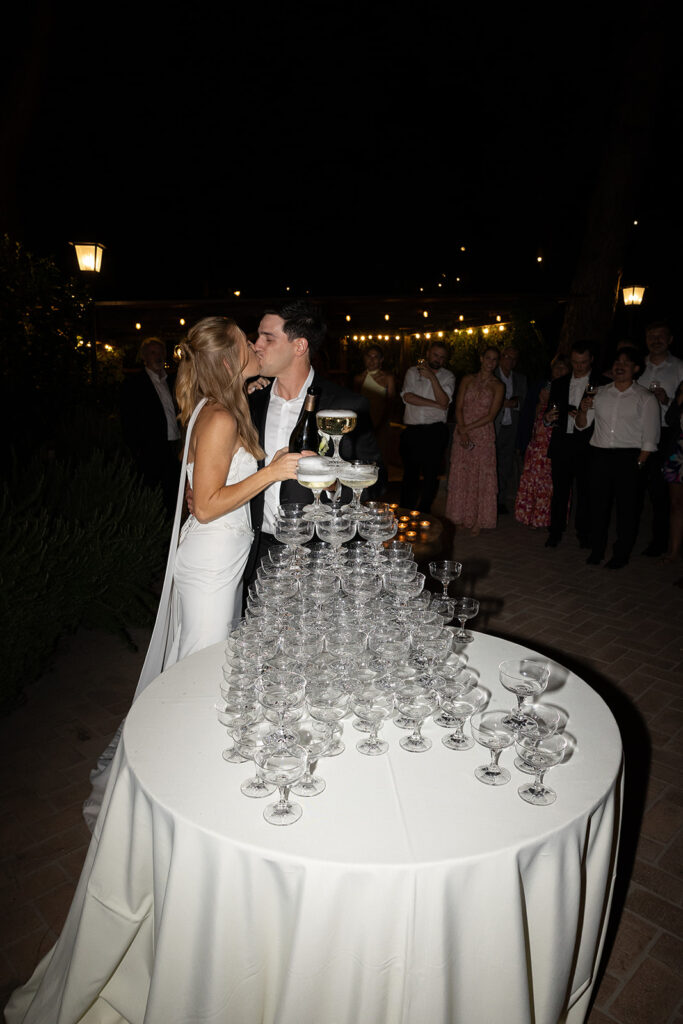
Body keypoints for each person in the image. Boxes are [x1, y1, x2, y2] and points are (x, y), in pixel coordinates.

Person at [83, 316, 301, 829]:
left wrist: (254, 384)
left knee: (198, 662)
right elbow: (204, 505)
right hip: (210, 564)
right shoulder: (221, 416)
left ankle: (182, 768)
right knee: (198, 669)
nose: (256, 346)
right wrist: (271, 471)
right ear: (228, 360)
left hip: (218, 557)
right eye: (249, 344)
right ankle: (176, 781)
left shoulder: (219, 403)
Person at [245, 300, 383, 581]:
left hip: (321, 553)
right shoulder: (249, 401)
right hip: (258, 549)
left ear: (299, 346)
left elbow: (375, 483)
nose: (256, 344)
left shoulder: (346, 406)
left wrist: (330, 481)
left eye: (267, 338)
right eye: (257, 336)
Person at [577, 346, 660, 569]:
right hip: (600, 456)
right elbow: (582, 425)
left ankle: (621, 554)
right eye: (617, 362)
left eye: (625, 363)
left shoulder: (645, 397)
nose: (620, 366)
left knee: (627, 510)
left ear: (636, 368)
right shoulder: (600, 392)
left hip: (629, 458)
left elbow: (651, 438)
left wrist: (639, 463)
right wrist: (583, 410)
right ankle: (597, 550)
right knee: (598, 507)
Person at [544, 342, 605, 549]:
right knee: (560, 491)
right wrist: (549, 417)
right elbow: (550, 412)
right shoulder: (560, 382)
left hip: (588, 444)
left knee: (586, 491)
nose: (579, 366)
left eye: (583, 362)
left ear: (591, 360)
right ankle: (555, 531)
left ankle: (583, 532)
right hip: (563, 443)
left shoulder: (601, 383)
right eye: (576, 362)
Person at [445, 346, 505, 534]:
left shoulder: (498, 385)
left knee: (480, 476)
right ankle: (462, 516)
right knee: (462, 474)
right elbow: (459, 406)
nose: (491, 362)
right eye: (488, 358)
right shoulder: (468, 379)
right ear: (481, 358)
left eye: (495, 360)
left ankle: (479, 519)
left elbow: (491, 415)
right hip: (462, 430)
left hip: (482, 434)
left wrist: (467, 429)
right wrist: (461, 430)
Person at [636, 321, 683, 556]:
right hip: (636, 433)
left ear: (670, 339)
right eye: (651, 335)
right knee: (635, 488)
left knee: (660, 492)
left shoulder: (679, 367)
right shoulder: (637, 365)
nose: (655, 340)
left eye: (660, 335)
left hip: (665, 434)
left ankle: (659, 542)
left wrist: (667, 401)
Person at [120, 336, 181, 516]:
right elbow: (128, 420)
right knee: (155, 494)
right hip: (151, 449)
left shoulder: (172, 381)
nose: (158, 356)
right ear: (144, 357)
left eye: (161, 352)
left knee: (174, 492)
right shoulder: (134, 384)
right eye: (153, 352)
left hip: (175, 446)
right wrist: (137, 449)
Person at [399, 341, 456, 512]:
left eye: (442, 357)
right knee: (410, 474)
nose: (438, 359)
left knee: (431, 475)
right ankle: (406, 511)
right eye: (435, 355)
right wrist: (436, 404)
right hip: (412, 430)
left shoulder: (448, 377)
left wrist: (432, 376)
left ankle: (425, 512)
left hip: (435, 430)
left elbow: (444, 401)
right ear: (428, 352)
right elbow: (408, 397)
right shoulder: (412, 372)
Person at [515, 357, 571, 528]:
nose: (559, 371)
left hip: (557, 440)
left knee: (552, 481)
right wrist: (540, 404)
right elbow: (530, 413)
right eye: (557, 367)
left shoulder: (571, 389)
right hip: (538, 441)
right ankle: (531, 516)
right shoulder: (543, 386)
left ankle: (550, 519)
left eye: (563, 368)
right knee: (534, 478)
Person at [494, 346, 527, 514]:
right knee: (490, 464)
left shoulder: (520, 379)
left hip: (510, 428)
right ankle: (488, 499)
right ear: (501, 357)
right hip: (492, 427)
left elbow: (523, 400)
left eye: (514, 358)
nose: (510, 361)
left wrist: (515, 403)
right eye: (507, 357)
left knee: (506, 465)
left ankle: (500, 500)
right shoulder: (492, 375)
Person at [354, 344, 396, 465]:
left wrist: (382, 423)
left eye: (375, 357)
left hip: (382, 420)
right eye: (369, 357)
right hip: (364, 422)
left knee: (381, 457)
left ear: (381, 359)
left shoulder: (388, 378)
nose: (372, 360)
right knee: (364, 456)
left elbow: (391, 402)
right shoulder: (358, 378)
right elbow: (356, 403)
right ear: (364, 358)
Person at [661, 380, 683, 569]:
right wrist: (678, 400)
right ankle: (674, 550)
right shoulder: (680, 399)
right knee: (676, 505)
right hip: (678, 454)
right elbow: (669, 420)